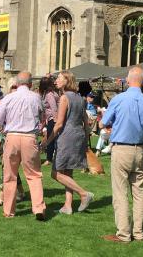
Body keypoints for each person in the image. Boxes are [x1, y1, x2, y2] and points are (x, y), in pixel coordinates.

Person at [99, 66, 143, 243]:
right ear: (142, 81)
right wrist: (140, 134)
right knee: (139, 193)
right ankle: (139, 233)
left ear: (128, 80)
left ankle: (124, 234)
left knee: (120, 193)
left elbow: (103, 124)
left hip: (121, 149)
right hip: (139, 150)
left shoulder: (118, 99)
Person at [0, 71, 46, 221]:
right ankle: (39, 208)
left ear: (17, 83)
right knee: (34, 175)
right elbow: (43, 119)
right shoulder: (37, 98)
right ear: (31, 84)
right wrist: (38, 130)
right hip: (29, 138)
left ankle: (9, 210)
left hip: (12, 137)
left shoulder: (8, 98)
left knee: (10, 175)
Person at [42, 71, 93, 215]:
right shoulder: (79, 97)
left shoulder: (64, 98)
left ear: (67, 81)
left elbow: (58, 125)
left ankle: (83, 194)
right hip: (79, 136)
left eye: (59, 78)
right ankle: (67, 206)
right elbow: (86, 122)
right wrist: (85, 139)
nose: (56, 80)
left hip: (67, 136)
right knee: (68, 172)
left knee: (56, 173)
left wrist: (47, 141)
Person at [39, 77, 58, 166]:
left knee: (51, 139)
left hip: (53, 120)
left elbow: (54, 108)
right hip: (50, 119)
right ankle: (51, 158)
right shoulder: (49, 93)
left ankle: (49, 159)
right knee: (52, 139)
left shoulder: (49, 95)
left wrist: (56, 121)